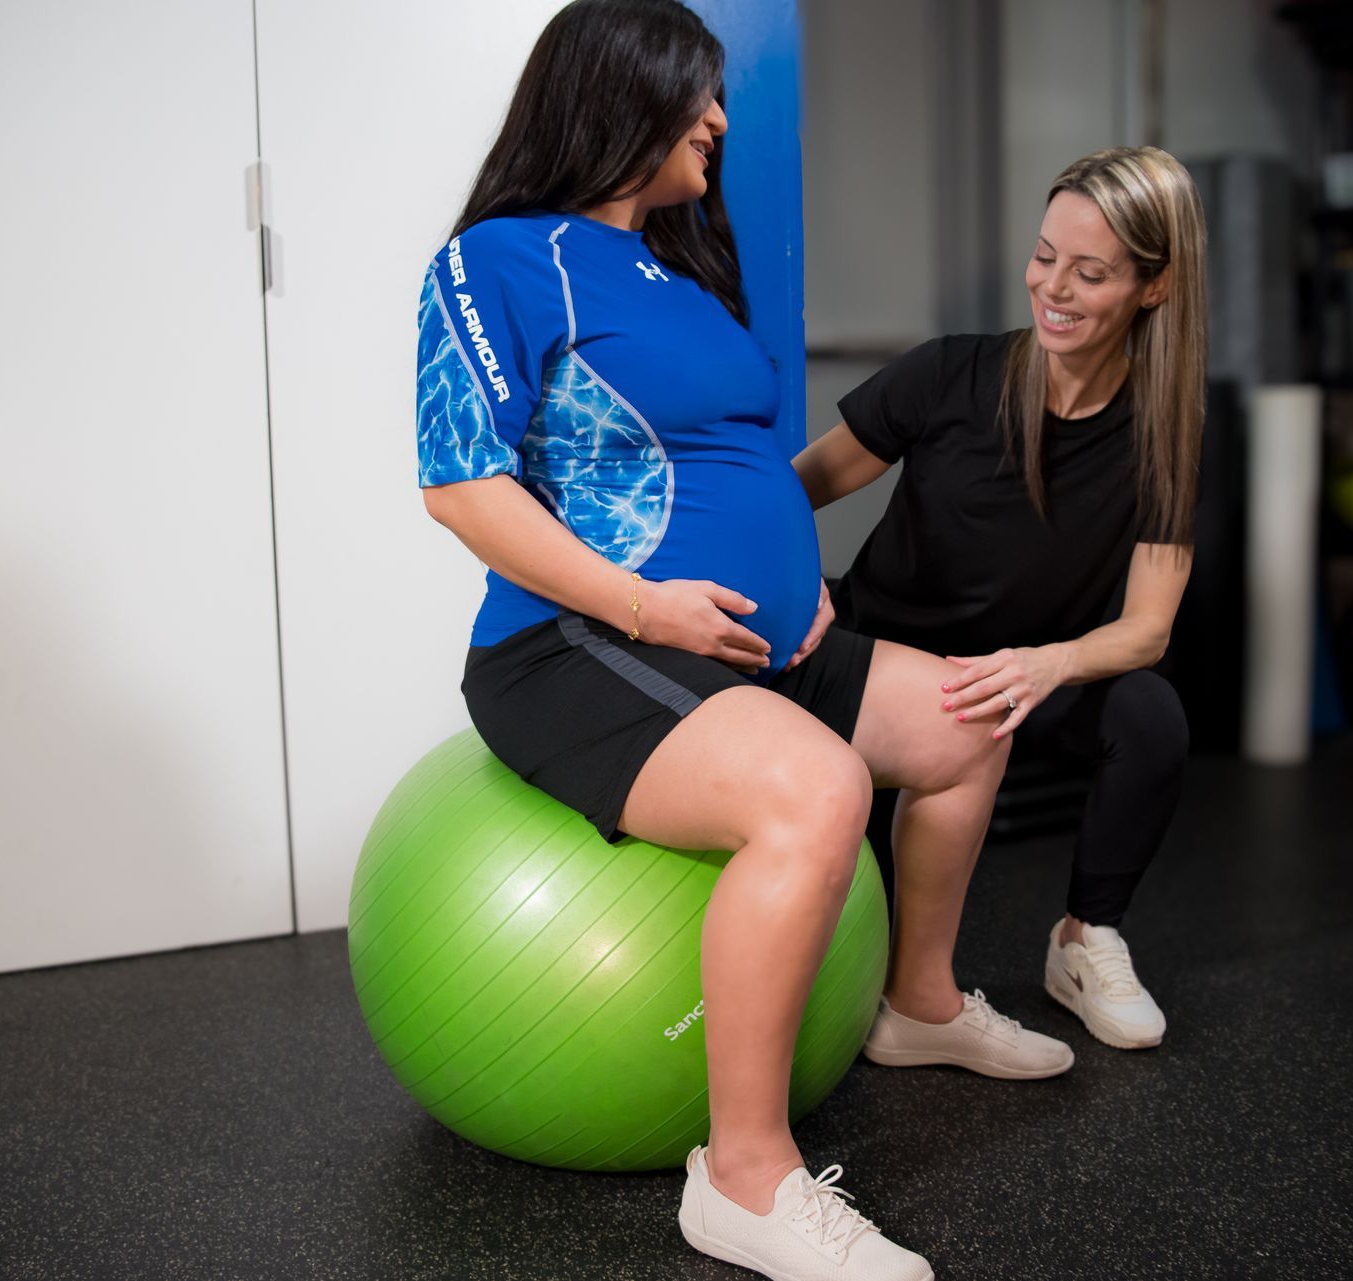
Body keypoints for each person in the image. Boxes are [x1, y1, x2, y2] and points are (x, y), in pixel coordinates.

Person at [415, 4, 1067, 1278]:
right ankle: (745, 1181)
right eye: (697, 97)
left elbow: (730, 463)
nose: (719, 120)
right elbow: (462, 486)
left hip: (753, 643)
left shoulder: (677, 269)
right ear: (621, 95)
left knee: (973, 718)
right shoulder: (499, 259)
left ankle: (920, 1005)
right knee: (818, 793)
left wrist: (797, 581)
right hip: (577, 648)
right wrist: (645, 605)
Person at [795, 146, 1207, 1053]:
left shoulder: (1166, 432)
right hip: (878, 666)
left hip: (1012, 681)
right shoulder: (949, 376)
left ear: (1155, 286)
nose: (1052, 285)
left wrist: (1045, 662)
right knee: (841, 956)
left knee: (1148, 716)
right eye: (1045, 254)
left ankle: (1084, 936)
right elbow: (796, 491)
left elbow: (1146, 628)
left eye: (1091, 271)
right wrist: (793, 595)